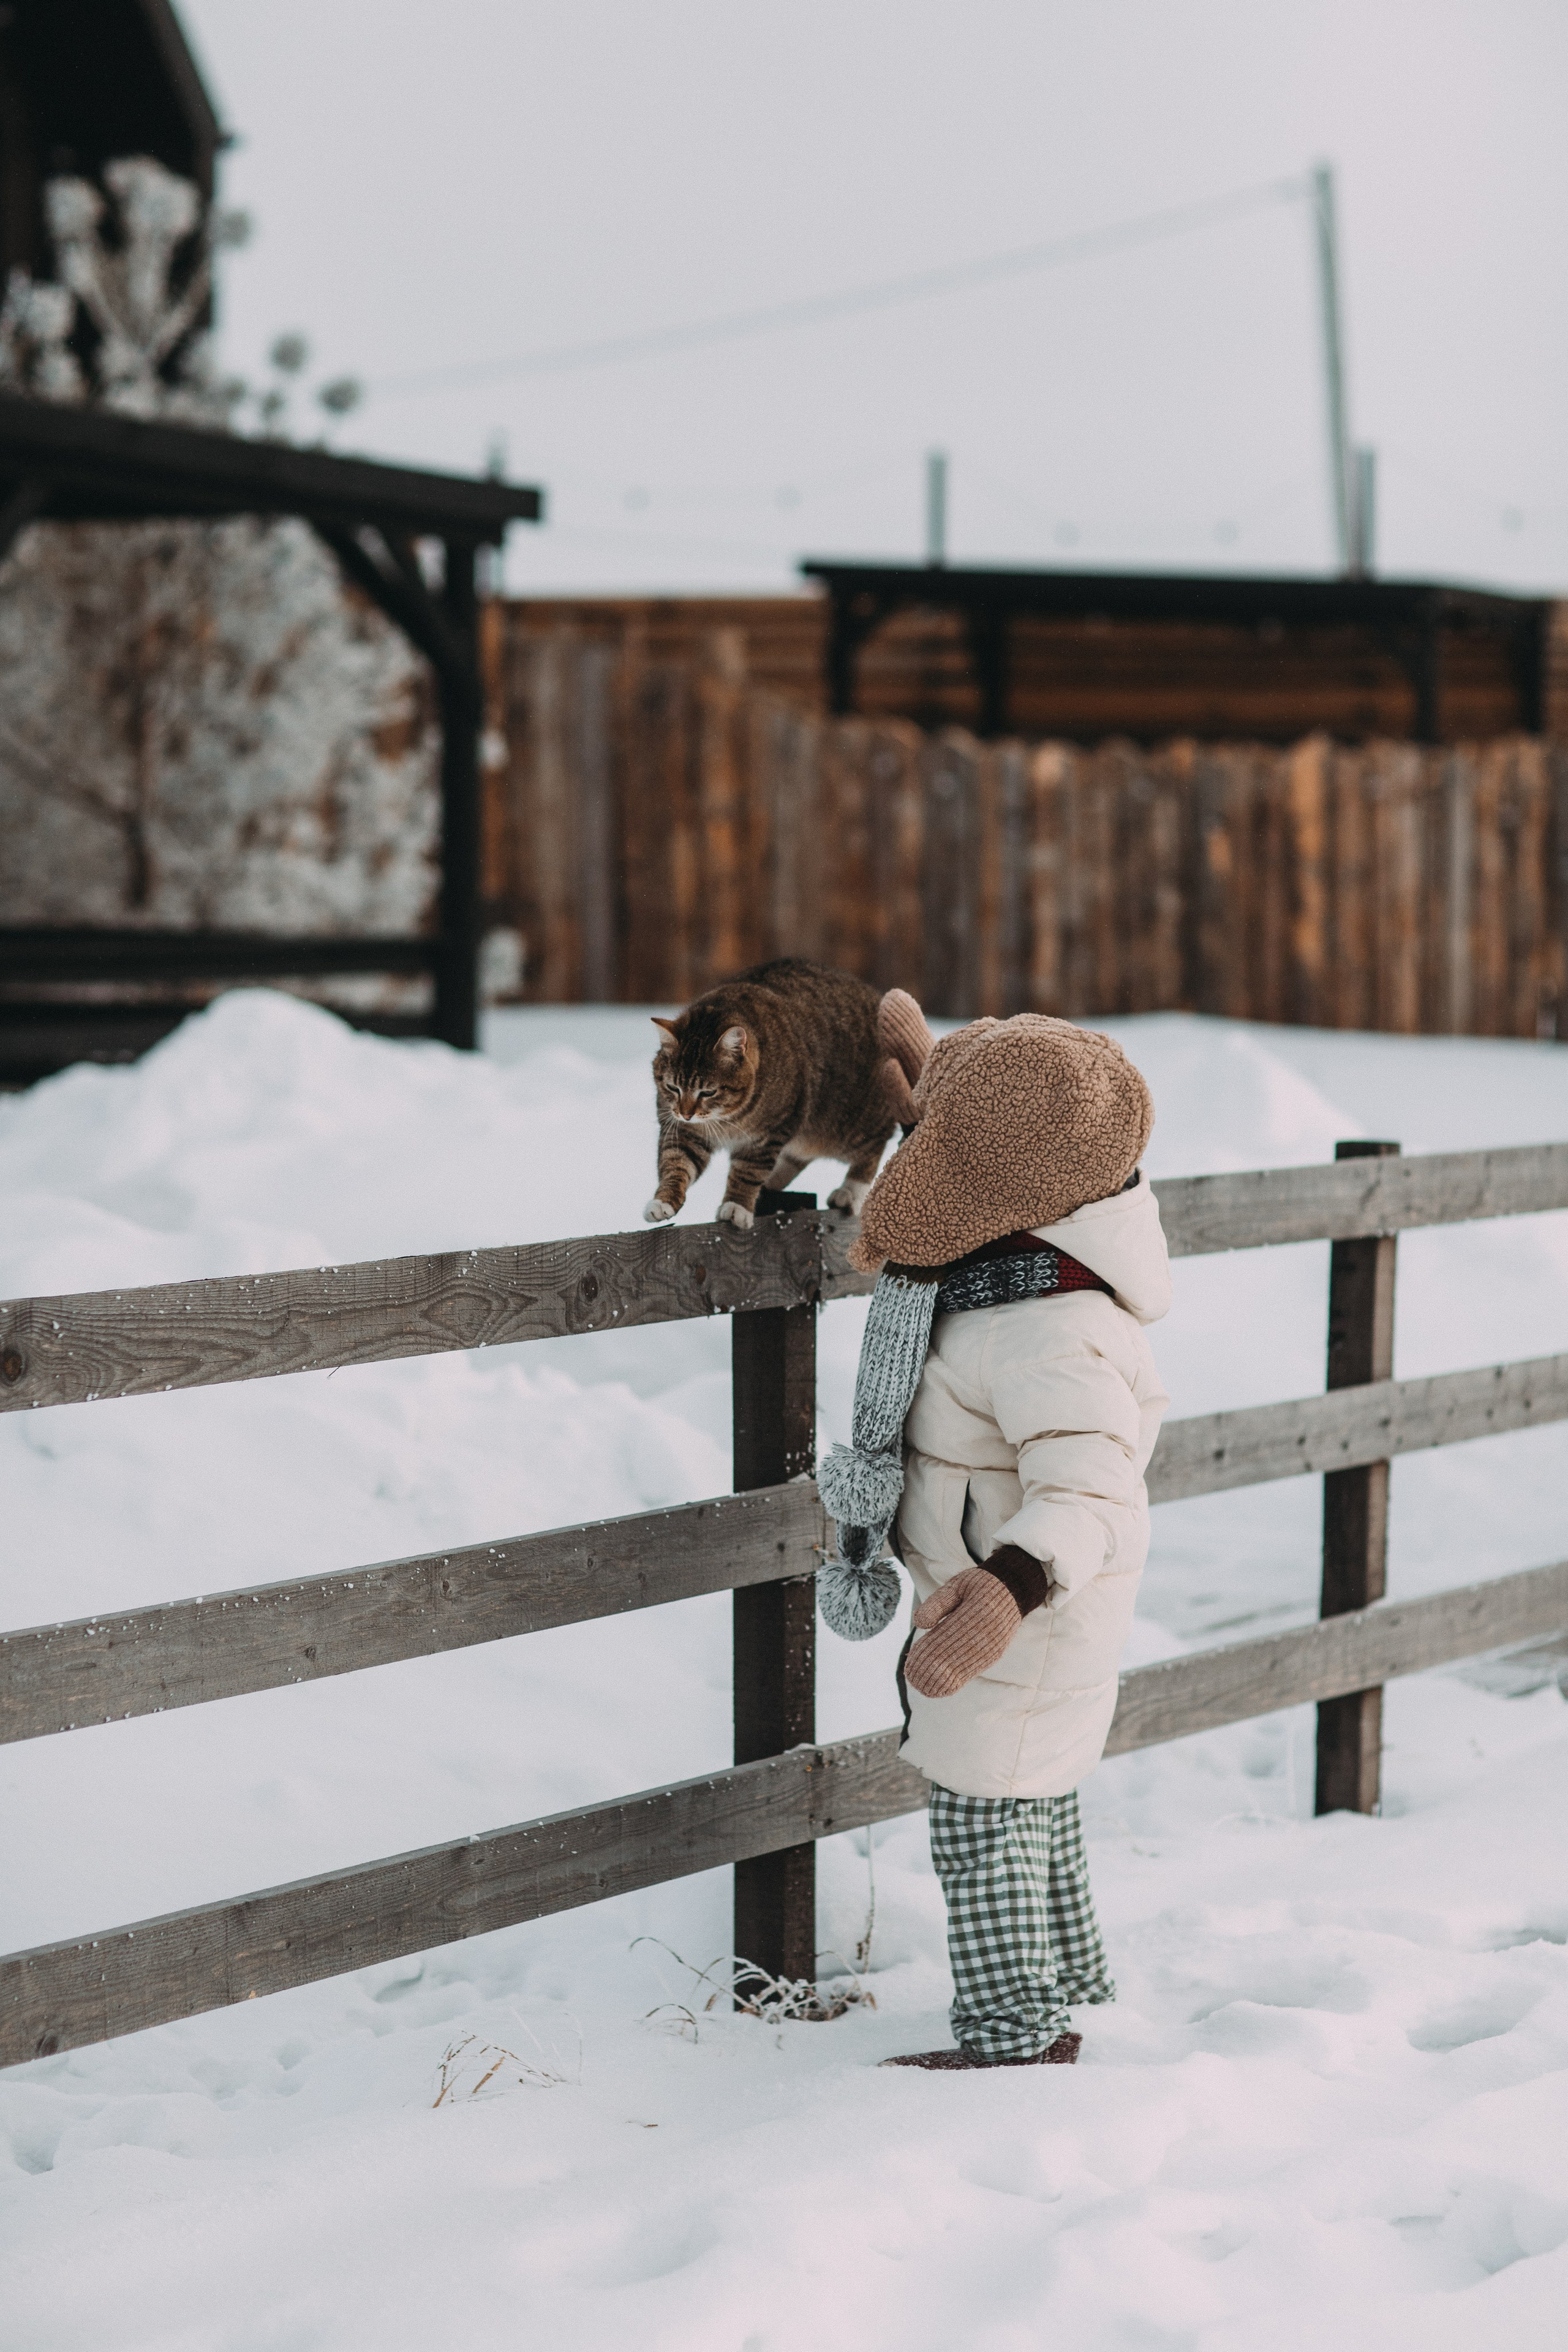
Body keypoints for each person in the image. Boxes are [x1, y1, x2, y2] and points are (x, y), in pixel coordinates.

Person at [817, 993, 1170, 2069]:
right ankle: (1075, 1986)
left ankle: (1015, 2036)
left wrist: (1011, 1585)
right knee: (1038, 1806)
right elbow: (994, 1135)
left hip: (1021, 1614)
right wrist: (941, 1089)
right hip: (1025, 1609)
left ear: (990, 1185)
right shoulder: (1019, 1282)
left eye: (940, 1146)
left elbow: (1093, 1487)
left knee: (982, 1822)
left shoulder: (1046, 1328)